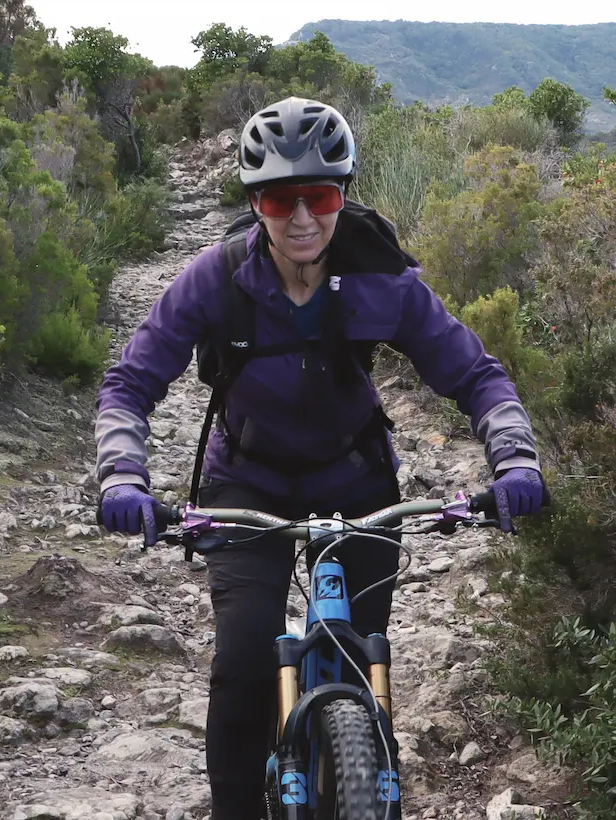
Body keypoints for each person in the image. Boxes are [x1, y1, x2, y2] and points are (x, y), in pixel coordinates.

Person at [93, 97, 545, 819]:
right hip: (244, 486)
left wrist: (513, 462)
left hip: (357, 483)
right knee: (243, 666)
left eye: (321, 196)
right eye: (279, 198)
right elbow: (129, 384)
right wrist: (122, 473)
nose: (302, 217)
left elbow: (476, 376)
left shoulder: (385, 281)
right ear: (254, 202)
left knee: (366, 658)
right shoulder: (214, 278)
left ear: (343, 195)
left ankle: (364, 779)